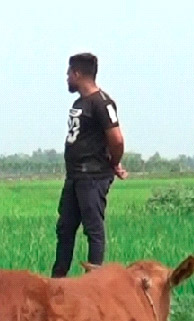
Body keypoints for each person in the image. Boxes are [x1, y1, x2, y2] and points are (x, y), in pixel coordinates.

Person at [53, 52, 127, 278]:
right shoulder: (79, 103)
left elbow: (117, 139)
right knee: (65, 229)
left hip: (93, 177)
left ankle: (94, 282)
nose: (66, 77)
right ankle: (57, 281)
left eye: (68, 73)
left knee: (93, 230)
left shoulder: (102, 103)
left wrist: (114, 163)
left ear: (77, 74)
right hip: (75, 177)